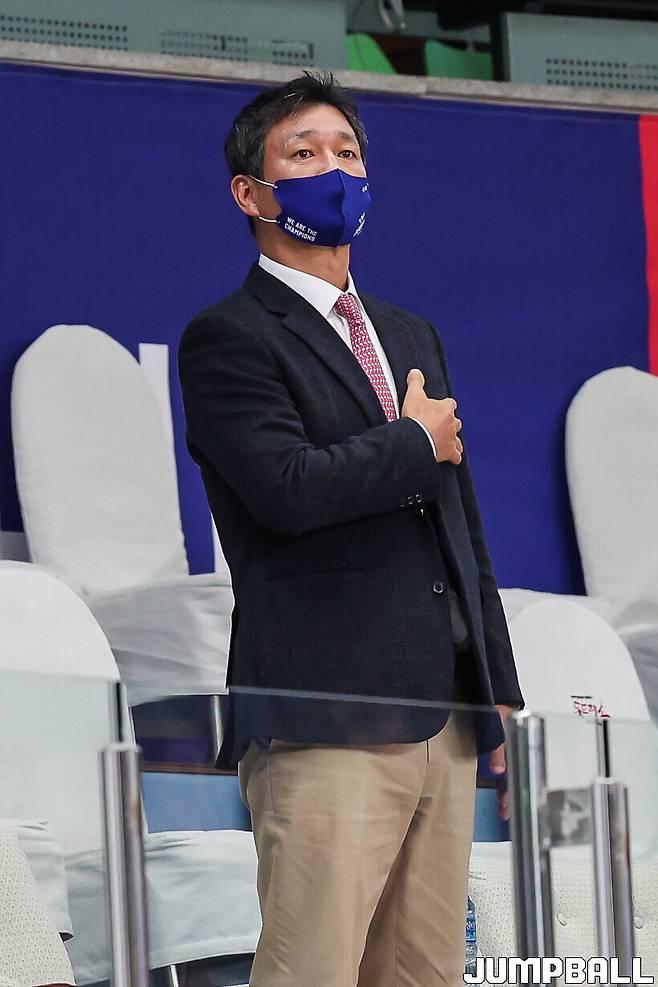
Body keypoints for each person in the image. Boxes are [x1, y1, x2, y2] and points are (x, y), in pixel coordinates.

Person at [178, 70, 525, 987]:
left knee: (422, 973)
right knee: (313, 971)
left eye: (347, 151)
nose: (333, 169)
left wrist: (494, 682)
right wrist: (412, 442)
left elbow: (460, 519)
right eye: (303, 153)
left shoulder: (410, 333)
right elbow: (286, 488)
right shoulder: (230, 337)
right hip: (326, 711)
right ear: (251, 193)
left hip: (443, 714)